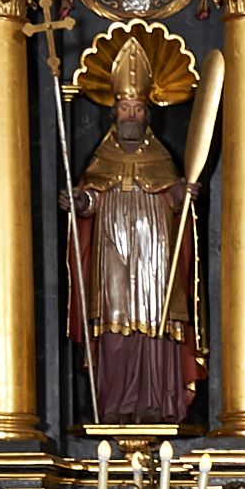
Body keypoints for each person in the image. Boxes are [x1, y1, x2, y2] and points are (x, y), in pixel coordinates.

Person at [67, 31, 199, 425]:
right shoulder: (100, 158)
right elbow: (91, 199)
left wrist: (181, 193)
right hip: (112, 255)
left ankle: (158, 400)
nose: (130, 115)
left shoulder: (161, 158)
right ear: (114, 113)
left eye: (137, 109)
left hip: (155, 255)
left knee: (158, 324)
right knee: (114, 325)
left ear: (147, 114)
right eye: (125, 108)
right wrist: (80, 203)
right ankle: (114, 405)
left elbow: (175, 200)